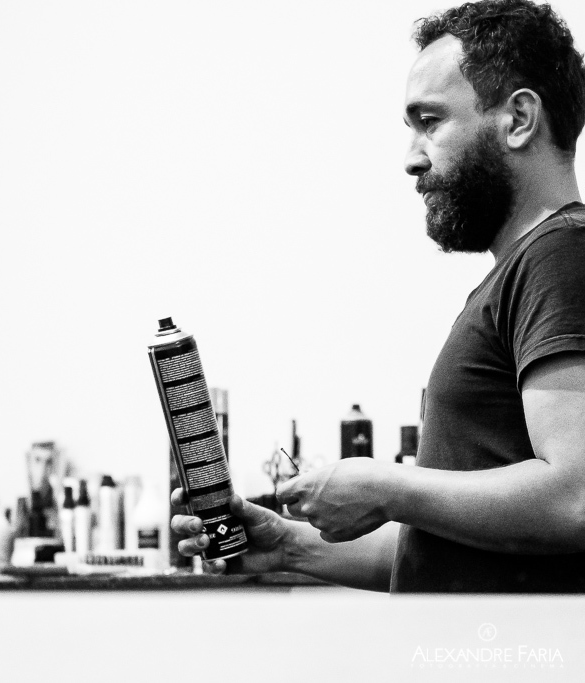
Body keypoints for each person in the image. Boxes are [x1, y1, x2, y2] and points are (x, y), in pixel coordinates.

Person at [173, 0, 585, 593]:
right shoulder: (529, 268)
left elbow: (575, 497)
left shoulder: (559, 257)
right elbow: (441, 547)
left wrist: (386, 487)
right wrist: (287, 545)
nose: (412, 158)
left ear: (519, 118)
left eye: (430, 121)